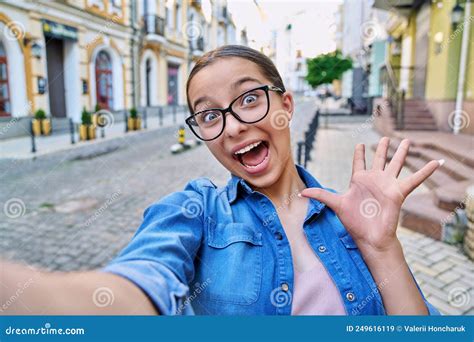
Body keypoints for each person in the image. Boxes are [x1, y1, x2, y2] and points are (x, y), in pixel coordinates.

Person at [1, 45, 442, 315]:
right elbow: (139, 283)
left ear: (286, 104)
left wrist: (383, 248)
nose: (232, 127)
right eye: (210, 114)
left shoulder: (349, 220)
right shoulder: (196, 212)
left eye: (249, 99)